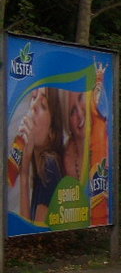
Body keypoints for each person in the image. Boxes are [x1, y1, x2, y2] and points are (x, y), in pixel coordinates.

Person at [14, 86, 67, 225]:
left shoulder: (50, 166)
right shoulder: (41, 167)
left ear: (52, 133)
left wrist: (23, 173)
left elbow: (30, 232)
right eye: (33, 97)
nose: (34, 106)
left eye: (43, 105)